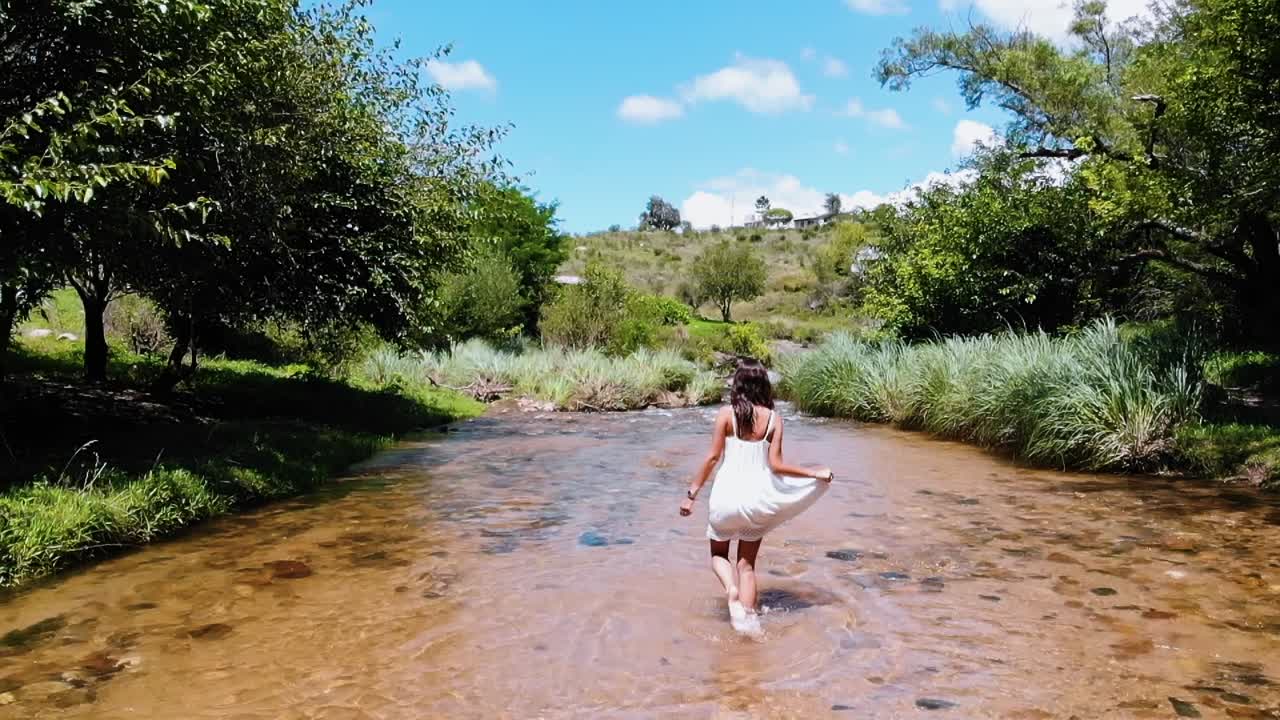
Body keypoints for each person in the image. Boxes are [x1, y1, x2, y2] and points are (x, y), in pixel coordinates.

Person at [679, 358, 833, 636]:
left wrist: (691, 494)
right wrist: (814, 473)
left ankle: (731, 590)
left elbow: (713, 457)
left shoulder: (726, 415)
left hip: (726, 498)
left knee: (718, 554)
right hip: (758, 500)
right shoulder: (775, 419)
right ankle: (748, 624)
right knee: (747, 565)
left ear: (737, 384)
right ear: (764, 384)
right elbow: (777, 466)